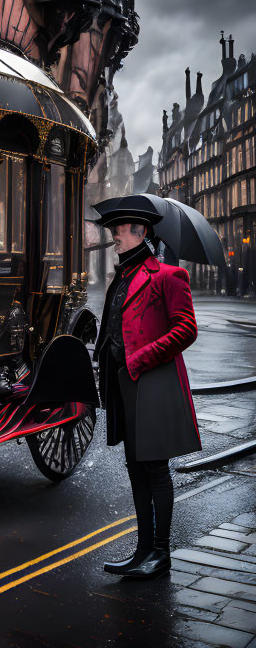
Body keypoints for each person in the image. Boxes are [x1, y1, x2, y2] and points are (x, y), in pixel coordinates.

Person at [95, 208, 200, 580]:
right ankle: (143, 550)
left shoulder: (169, 275)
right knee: (135, 467)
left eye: (120, 232)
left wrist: (140, 358)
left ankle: (160, 551)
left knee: (154, 468)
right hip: (124, 383)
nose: (115, 238)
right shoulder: (122, 275)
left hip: (151, 381)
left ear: (139, 232)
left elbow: (186, 329)